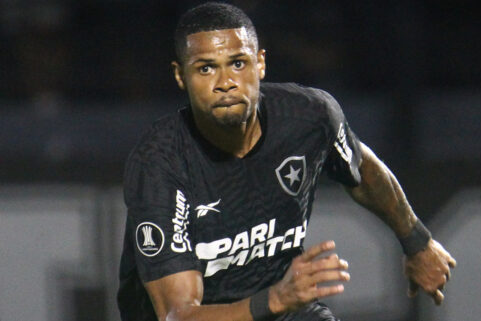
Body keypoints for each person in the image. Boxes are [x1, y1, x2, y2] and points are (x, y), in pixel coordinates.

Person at [117, 2, 456, 321]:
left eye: (238, 63)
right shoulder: (160, 163)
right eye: (206, 69)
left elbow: (363, 169)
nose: (225, 83)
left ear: (260, 63)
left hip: (284, 309)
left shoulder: (309, 117)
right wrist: (273, 299)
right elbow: (177, 315)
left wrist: (417, 241)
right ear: (180, 76)